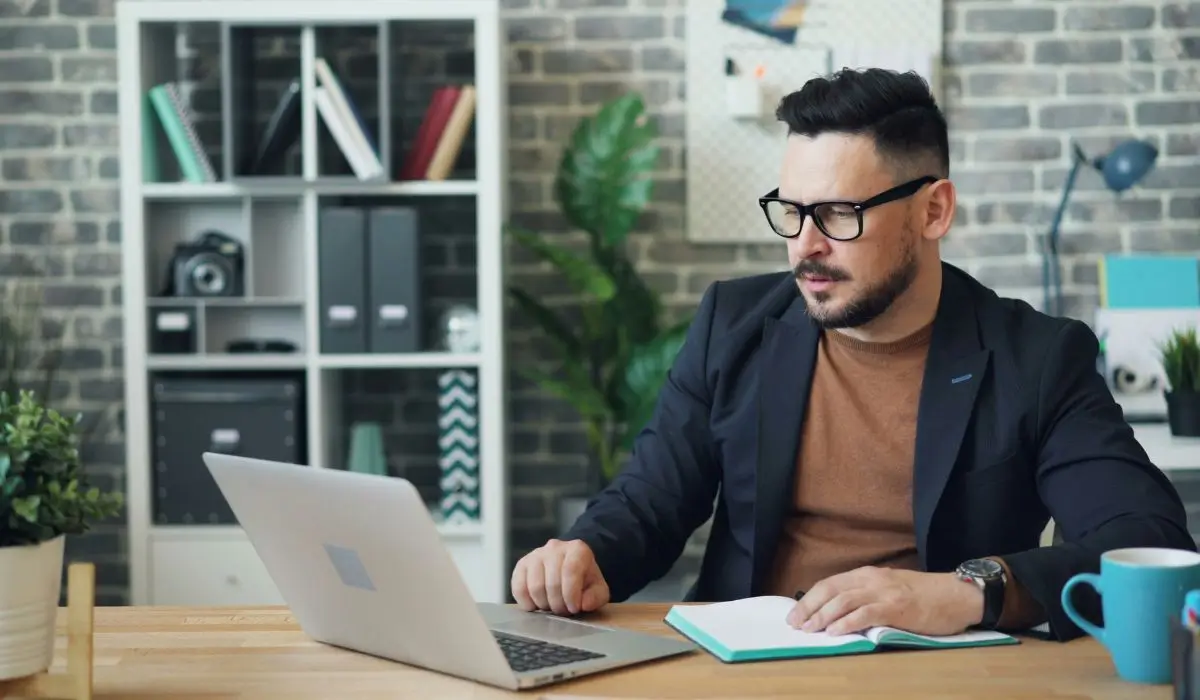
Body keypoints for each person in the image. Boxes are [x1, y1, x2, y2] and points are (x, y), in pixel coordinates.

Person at [509, 67, 1195, 641]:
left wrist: (963, 593)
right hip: (739, 671)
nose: (805, 244)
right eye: (791, 211)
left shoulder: (1035, 357)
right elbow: (650, 500)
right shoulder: (734, 324)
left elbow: (1147, 541)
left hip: (933, 676)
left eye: (839, 214)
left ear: (933, 211)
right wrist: (584, 555)